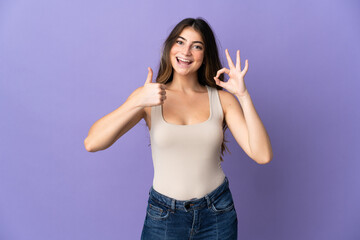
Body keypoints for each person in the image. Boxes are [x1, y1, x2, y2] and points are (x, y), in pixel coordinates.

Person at [84, 17, 273, 239]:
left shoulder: (223, 100)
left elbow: (262, 155)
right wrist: (135, 101)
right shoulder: (149, 96)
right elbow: (92, 143)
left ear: (205, 55)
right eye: (180, 42)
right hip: (164, 216)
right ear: (170, 47)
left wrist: (243, 95)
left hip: (217, 214)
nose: (186, 52)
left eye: (197, 46)